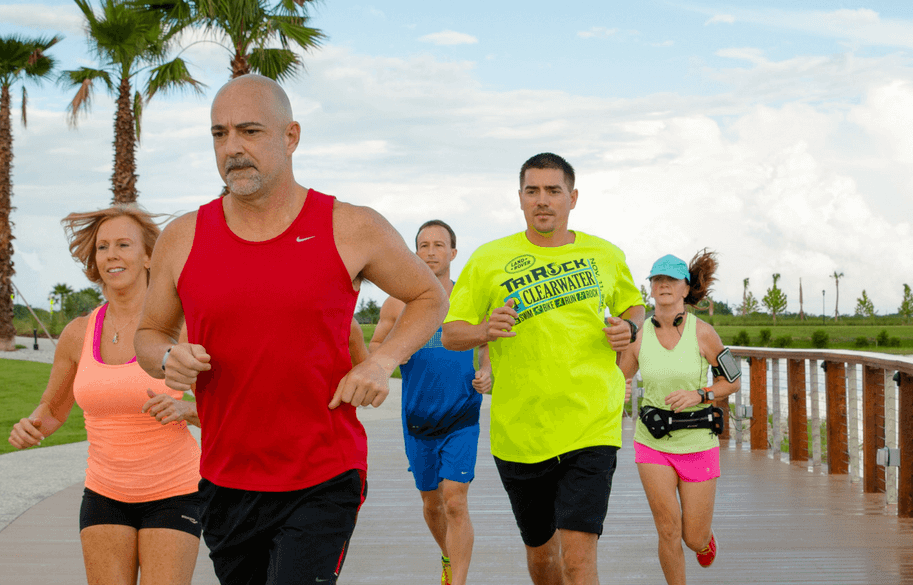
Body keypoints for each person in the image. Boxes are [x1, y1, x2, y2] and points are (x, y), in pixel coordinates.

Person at [134, 74, 447, 585]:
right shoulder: (183, 236)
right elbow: (149, 334)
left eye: (250, 131)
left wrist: (381, 361)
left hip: (323, 474)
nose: (232, 148)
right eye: (219, 134)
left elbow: (429, 296)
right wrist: (169, 358)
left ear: (291, 136)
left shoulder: (350, 225)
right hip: (224, 478)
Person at [441, 153, 645, 585]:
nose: (543, 200)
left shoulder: (604, 254)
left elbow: (633, 304)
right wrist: (483, 330)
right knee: (542, 558)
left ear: (572, 197)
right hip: (520, 431)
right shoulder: (489, 259)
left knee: (577, 558)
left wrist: (627, 327)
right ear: (519, 199)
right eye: (532, 191)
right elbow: (451, 334)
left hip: (591, 423)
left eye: (553, 191)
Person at [6, 206, 205, 585]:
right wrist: (32, 427)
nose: (111, 254)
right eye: (102, 247)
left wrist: (186, 409)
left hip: (175, 492)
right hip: (104, 494)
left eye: (124, 244)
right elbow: (53, 409)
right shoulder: (78, 333)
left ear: (149, 255)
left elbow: (230, 412)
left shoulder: (181, 328)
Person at [367, 219, 492, 585]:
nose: (432, 251)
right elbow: (376, 346)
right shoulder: (398, 302)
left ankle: (458, 580)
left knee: (454, 499)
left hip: (462, 414)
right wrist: (392, 356)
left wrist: (488, 372)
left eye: (440, 245)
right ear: (415, 253)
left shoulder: (468, 301)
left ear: (453, 253)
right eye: (424, 245)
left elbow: (488, 345)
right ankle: (448, 557)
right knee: (432, 503)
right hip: (418, 418)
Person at [618, 251, 739, 585]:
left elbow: (734, 381)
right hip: (652, 442)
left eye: (671, 280)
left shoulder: (704, 334)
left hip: (699, 442)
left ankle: (705, 541)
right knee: (668, 528)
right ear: (651, 289)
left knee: (692, 538)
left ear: (686, 289)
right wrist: (621, 389)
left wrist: (700, 394)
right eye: (658, 280)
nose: (664, 285)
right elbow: (620, 379)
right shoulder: (638, 336)